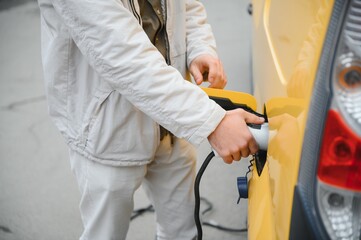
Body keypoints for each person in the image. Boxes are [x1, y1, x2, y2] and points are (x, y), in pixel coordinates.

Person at [38, 0, 264, 239]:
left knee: (182, 231)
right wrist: (212, 121)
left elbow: (188, 5)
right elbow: (125, 57)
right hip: (109, 132)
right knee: (105, 234)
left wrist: (201, 48)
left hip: (174, 122)